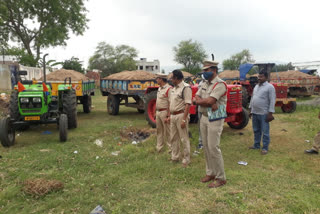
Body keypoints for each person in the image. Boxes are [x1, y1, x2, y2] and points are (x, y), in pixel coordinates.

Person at [194, 60, 227, 188]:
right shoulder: (204, 83)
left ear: (214, 70)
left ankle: (221, 177)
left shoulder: (220, 84)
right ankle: (211, 173)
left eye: (206, 70)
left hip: (216, 117)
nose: (204, 72)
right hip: (204, 116)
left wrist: (204, 101)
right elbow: (197, 97)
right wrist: (204, 102)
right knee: (206, 147)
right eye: (204, 70)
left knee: (214, 147)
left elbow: (210, 100)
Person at [166, 69, 192, 168]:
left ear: (176, 78)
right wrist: (169, 116)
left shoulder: (185, 88)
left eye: (172, 77)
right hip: (173, 116)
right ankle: (175, 157)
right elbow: (170, 103)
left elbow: (188, 104)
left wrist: (184, 119)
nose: (171, 79)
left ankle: (186, 159)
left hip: (181, 115)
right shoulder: (173, 89)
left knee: (184, 138)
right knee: (173, 137)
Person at [248, 70, 276, 155]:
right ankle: (256, 145)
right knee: (256, 130)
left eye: (261, 77)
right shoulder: (256, 86)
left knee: (265, 131)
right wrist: (250, 109)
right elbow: (253, 98)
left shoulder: (270, 87)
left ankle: (265, 148)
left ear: (266, 77)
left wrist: (270, 113)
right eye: (258, 76)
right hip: (255, 112)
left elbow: (272, 100)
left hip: (264, 113)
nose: (259, 78)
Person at [155, 75, 172, 153]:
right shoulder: (159, 88)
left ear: (161, 79)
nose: (156, 80)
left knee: (167, 131)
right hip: (158, 112)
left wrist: (168, 115)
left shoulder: (169, 89)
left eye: (157, 78)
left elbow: (170, 103)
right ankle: (159, 148)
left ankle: (170, 149)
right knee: (159, 131)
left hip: (165, 112)